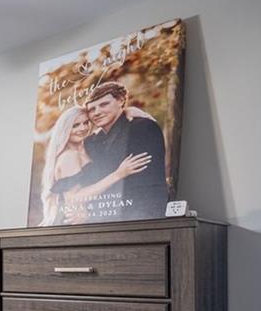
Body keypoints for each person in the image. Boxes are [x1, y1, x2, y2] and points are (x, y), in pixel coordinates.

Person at [39, 105, 152, 225]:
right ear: (65, 129)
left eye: (86, 123)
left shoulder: (87, 146)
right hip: (73, 224)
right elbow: (74, 198)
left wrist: (128, 111)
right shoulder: (69, 157)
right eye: (75, 125)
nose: (82, 128)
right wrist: (119, 174)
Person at [79, 82, 168, 219]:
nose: (97, 112)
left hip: (139, 216)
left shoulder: (142, 128)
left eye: (104, 104)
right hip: (101, 217)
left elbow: (146, 183)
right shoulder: (90, 142)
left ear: (121, 101)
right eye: (91, 109)